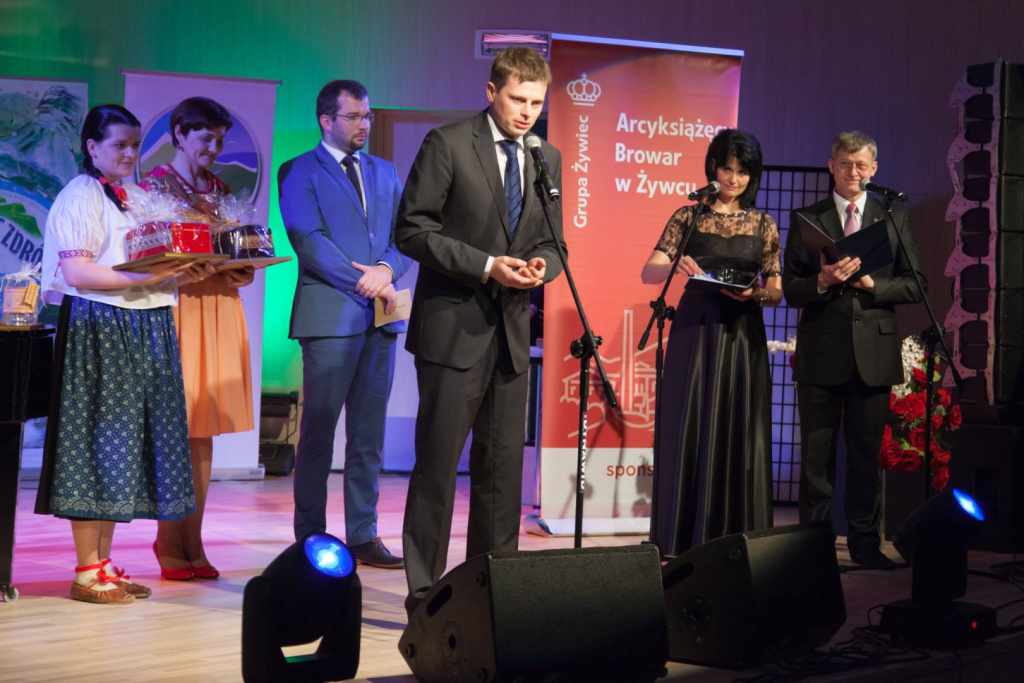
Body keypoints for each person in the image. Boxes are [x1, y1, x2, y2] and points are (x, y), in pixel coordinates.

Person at [397, 47, 566, 613]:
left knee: (502, 476)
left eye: (536, 103)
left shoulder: (546, 156)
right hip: (452, 334)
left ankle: (493, 594)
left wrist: (542, 266)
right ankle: (425, 597)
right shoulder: (447, 144)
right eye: (518, 99)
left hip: (511, 337)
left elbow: (555, 243)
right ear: (492, 91)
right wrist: (487, 265)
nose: (527, 112)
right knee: (437, 470)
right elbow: (412, 231)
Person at [34, 104, 203, 604]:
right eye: (119, 146)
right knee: (96, 441)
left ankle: (103, 565)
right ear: (92, 147)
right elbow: (78, 272)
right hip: (102, 323)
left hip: (145, 321)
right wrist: (147, 277)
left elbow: (153, 259)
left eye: (135, 145)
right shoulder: (80, 194)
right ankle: (87, 571)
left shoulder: (137, 195)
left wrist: (186, 268)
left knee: (122, 447)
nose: (130, 154)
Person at [278, 79, 408, 568]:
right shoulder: (298, 170)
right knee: (318, 432)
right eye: (354, 116)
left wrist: (386, 271)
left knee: (368, 436)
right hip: (331, 316)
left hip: (381, 318)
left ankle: (363, 535)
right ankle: (310, 536)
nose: (364, 124)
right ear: (326, 120)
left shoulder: (384, 171)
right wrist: (366, 282)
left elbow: (406, 236)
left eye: (367, 116)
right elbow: (308, 240)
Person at [782, 131, 926, 568]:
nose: (853, 172)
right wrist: (822, 281)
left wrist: (871, 284)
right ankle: (812, 546)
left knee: (865, 457)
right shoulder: (808, 218)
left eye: (861, 165)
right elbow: (791, 289)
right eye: (845, 164)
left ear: (874, 169)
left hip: (873, 354)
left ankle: (865, 543)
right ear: (831, 166)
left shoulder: (891, 217)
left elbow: (916, 284)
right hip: (822, 350)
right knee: (816, 458)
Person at [642, 129, 781, 556]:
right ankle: (681, 538)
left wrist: (756, 294)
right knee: (690, 421)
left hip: (742, 332)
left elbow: (776, 291)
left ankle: (736, 538)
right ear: (713, 168)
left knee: (740, 425)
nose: (733, 179)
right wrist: (676, 266)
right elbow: (649, 272)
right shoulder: (689, 216)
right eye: (726, 169)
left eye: (742, 172)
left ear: (752, 175)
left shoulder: (763, 224)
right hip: (695, 329)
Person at [139, 97, 254, 581]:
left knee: (203, 430)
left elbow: (240, 253)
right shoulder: (153, 186)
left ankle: (195, 539)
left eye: (220, 139)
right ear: (179, 135)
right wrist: (185, 267)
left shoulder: (223, 189)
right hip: (179, 307)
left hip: (219, 305)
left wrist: (242, 267)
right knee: (174, 426)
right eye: (205, 137)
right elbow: (144, 255)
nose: (214, 147)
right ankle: (169, 539)